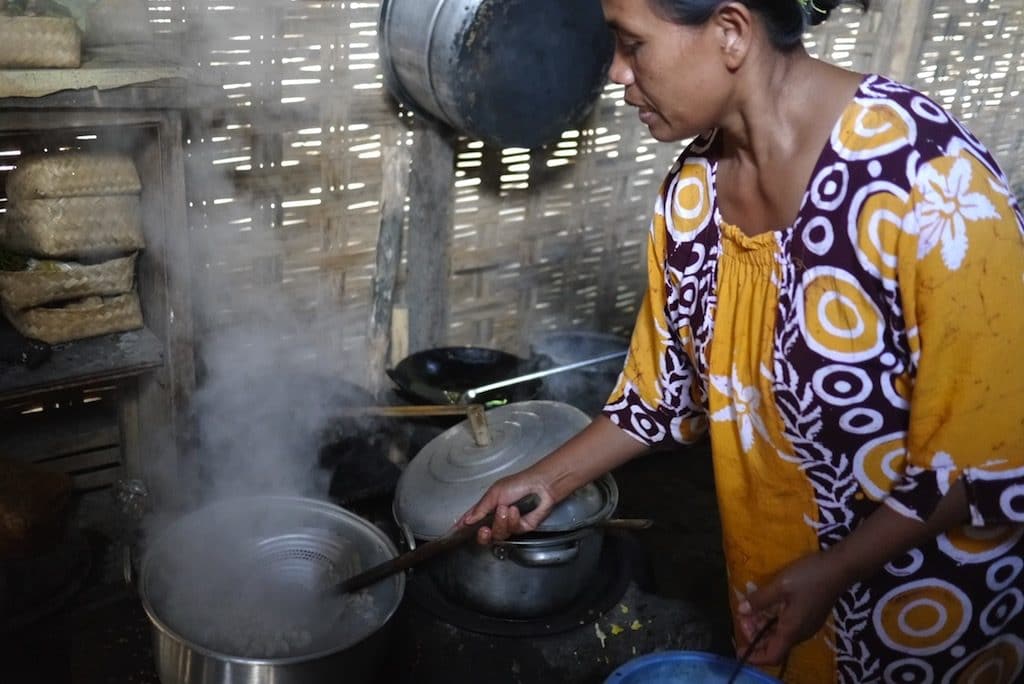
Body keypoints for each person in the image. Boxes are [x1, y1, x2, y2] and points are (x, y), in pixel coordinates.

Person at [461, 1, 1024, 682]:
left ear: (730, 32)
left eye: (631, 44)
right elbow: (662, 397)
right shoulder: (692, 196)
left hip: (920, 615)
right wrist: (543, 482)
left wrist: (834, 572)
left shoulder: (927, 182)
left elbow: (987, 455)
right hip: (778, 591)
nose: (615, 73)